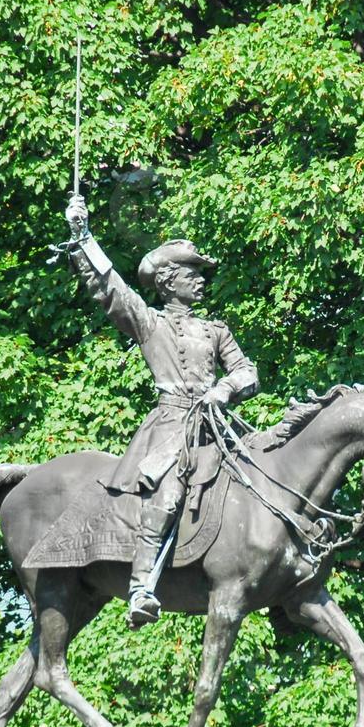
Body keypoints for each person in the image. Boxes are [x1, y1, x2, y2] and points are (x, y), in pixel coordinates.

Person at [63, 193, 259, 627]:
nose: (202, 282)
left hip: (218, 427)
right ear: (170, 281)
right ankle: (141, 588)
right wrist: (83, 235)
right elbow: (110, 286)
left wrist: (225, 390)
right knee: (168, 494)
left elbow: (247, 372)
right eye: (193, 275)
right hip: (172, 427)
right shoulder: (150, 323)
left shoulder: (216, 329)